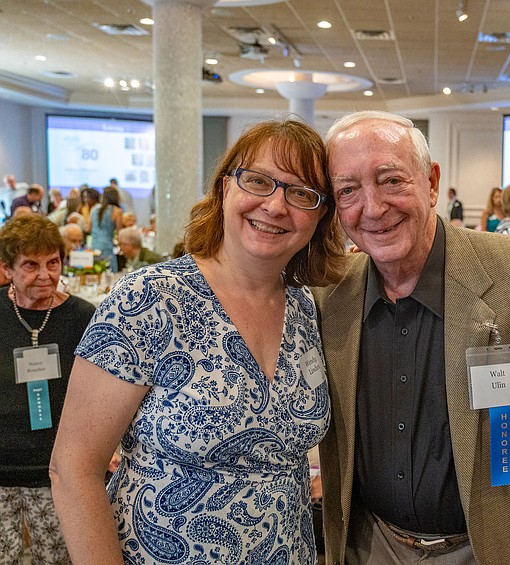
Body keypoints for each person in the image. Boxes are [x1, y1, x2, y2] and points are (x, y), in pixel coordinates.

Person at [49, 119, 346, 564]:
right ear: (226, 188)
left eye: (301, 193)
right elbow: (73, 468)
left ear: (320, 215)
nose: (275, 205)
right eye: (259, 181)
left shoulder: (307, 309)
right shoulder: (148, 299)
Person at [317, 111, 510, 564]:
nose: (372, 208)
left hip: (489, 551)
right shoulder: (327, 293)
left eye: (391, 181)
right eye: (348, 191)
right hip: (369, 544)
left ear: (431, 183)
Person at [0, 214, 96, 564]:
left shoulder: (82, 317)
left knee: (57, 559)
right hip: (2, 465)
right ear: (7, 269)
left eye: (52, 263)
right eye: (31, 265)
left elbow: (100, 395)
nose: (44, 275)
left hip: (58, 468)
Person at [89, 186, 122, 271]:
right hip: (107, 245)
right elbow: (120, 233)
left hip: (94, 244)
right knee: (110, 271)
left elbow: (89, 229)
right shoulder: (117, 211)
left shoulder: (94, 209)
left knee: (96, 270)